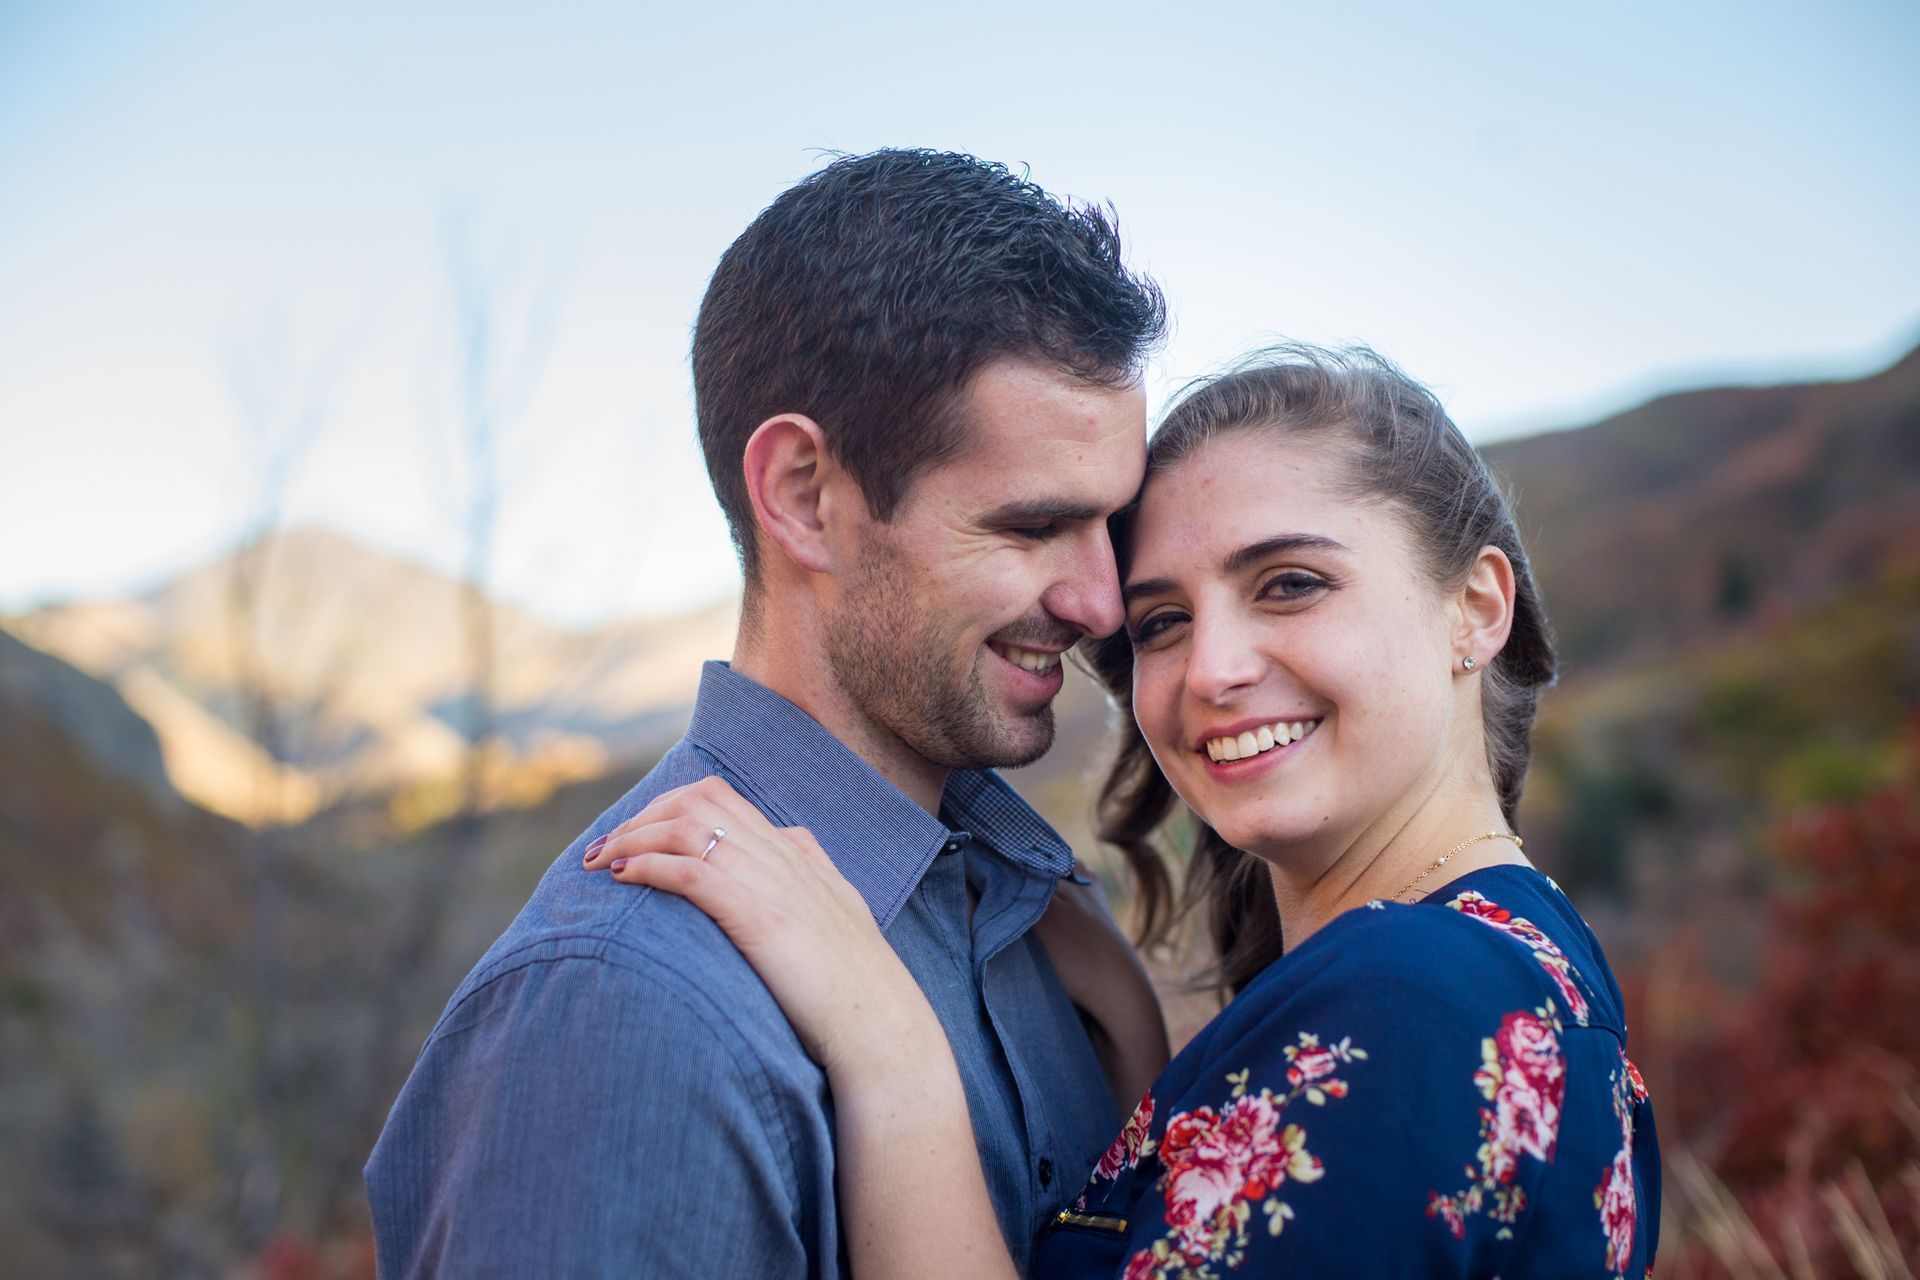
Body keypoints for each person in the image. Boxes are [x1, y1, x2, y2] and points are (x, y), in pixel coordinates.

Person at [585, 346, 1662, 1277]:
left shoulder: (1413, 1006)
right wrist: (1140, 1050)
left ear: (1474, 607)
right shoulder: (1524, 960)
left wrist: (892, 1047)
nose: (1213, 668)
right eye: (1160, 622)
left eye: (1289, 583)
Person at [364, 149, 1169, 1277]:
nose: (1098, 602)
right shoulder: (625, 1011)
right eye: (1032, 527)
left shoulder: (1032, 918)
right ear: (803, 496)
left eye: (1109, 527)